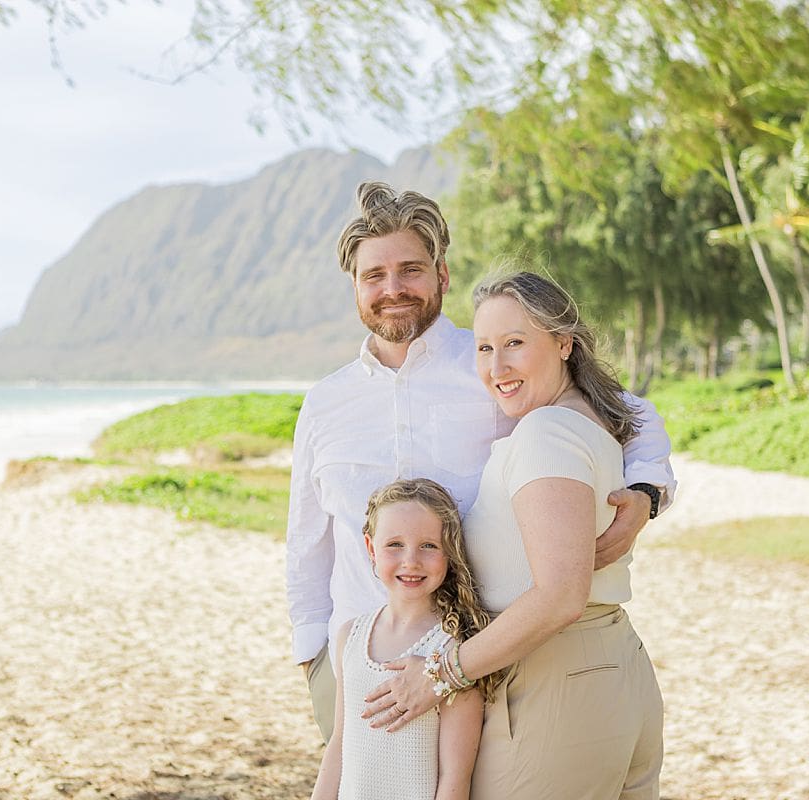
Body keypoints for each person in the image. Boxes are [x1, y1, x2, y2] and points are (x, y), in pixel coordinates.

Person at [287, 181, 676, 741]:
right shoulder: (325, 402)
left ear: (442, 274)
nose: (392, 288)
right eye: (374, 275)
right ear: (354, 286)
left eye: (411, 269)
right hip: (356, 665)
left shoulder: (491, 365)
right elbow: (307, 540)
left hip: (476, 663)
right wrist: (312, 657)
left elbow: (630, 414)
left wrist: (646, 493)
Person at [361, 272, 664, 799]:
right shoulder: (588, 423)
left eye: (515, 344)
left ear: (564, 343)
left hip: (555, 682)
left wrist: (440, 673)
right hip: (606, 671)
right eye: (484, 348)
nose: (496, 368)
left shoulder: (545, 434)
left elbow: (560, 595)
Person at [309, 478, 493, 800]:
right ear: (371, 548)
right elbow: (339, 745)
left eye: (429, 546)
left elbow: (455, 775)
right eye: (395, 544)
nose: (411, 560)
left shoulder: (455, 648)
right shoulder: (349, 636)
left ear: (449, 552)